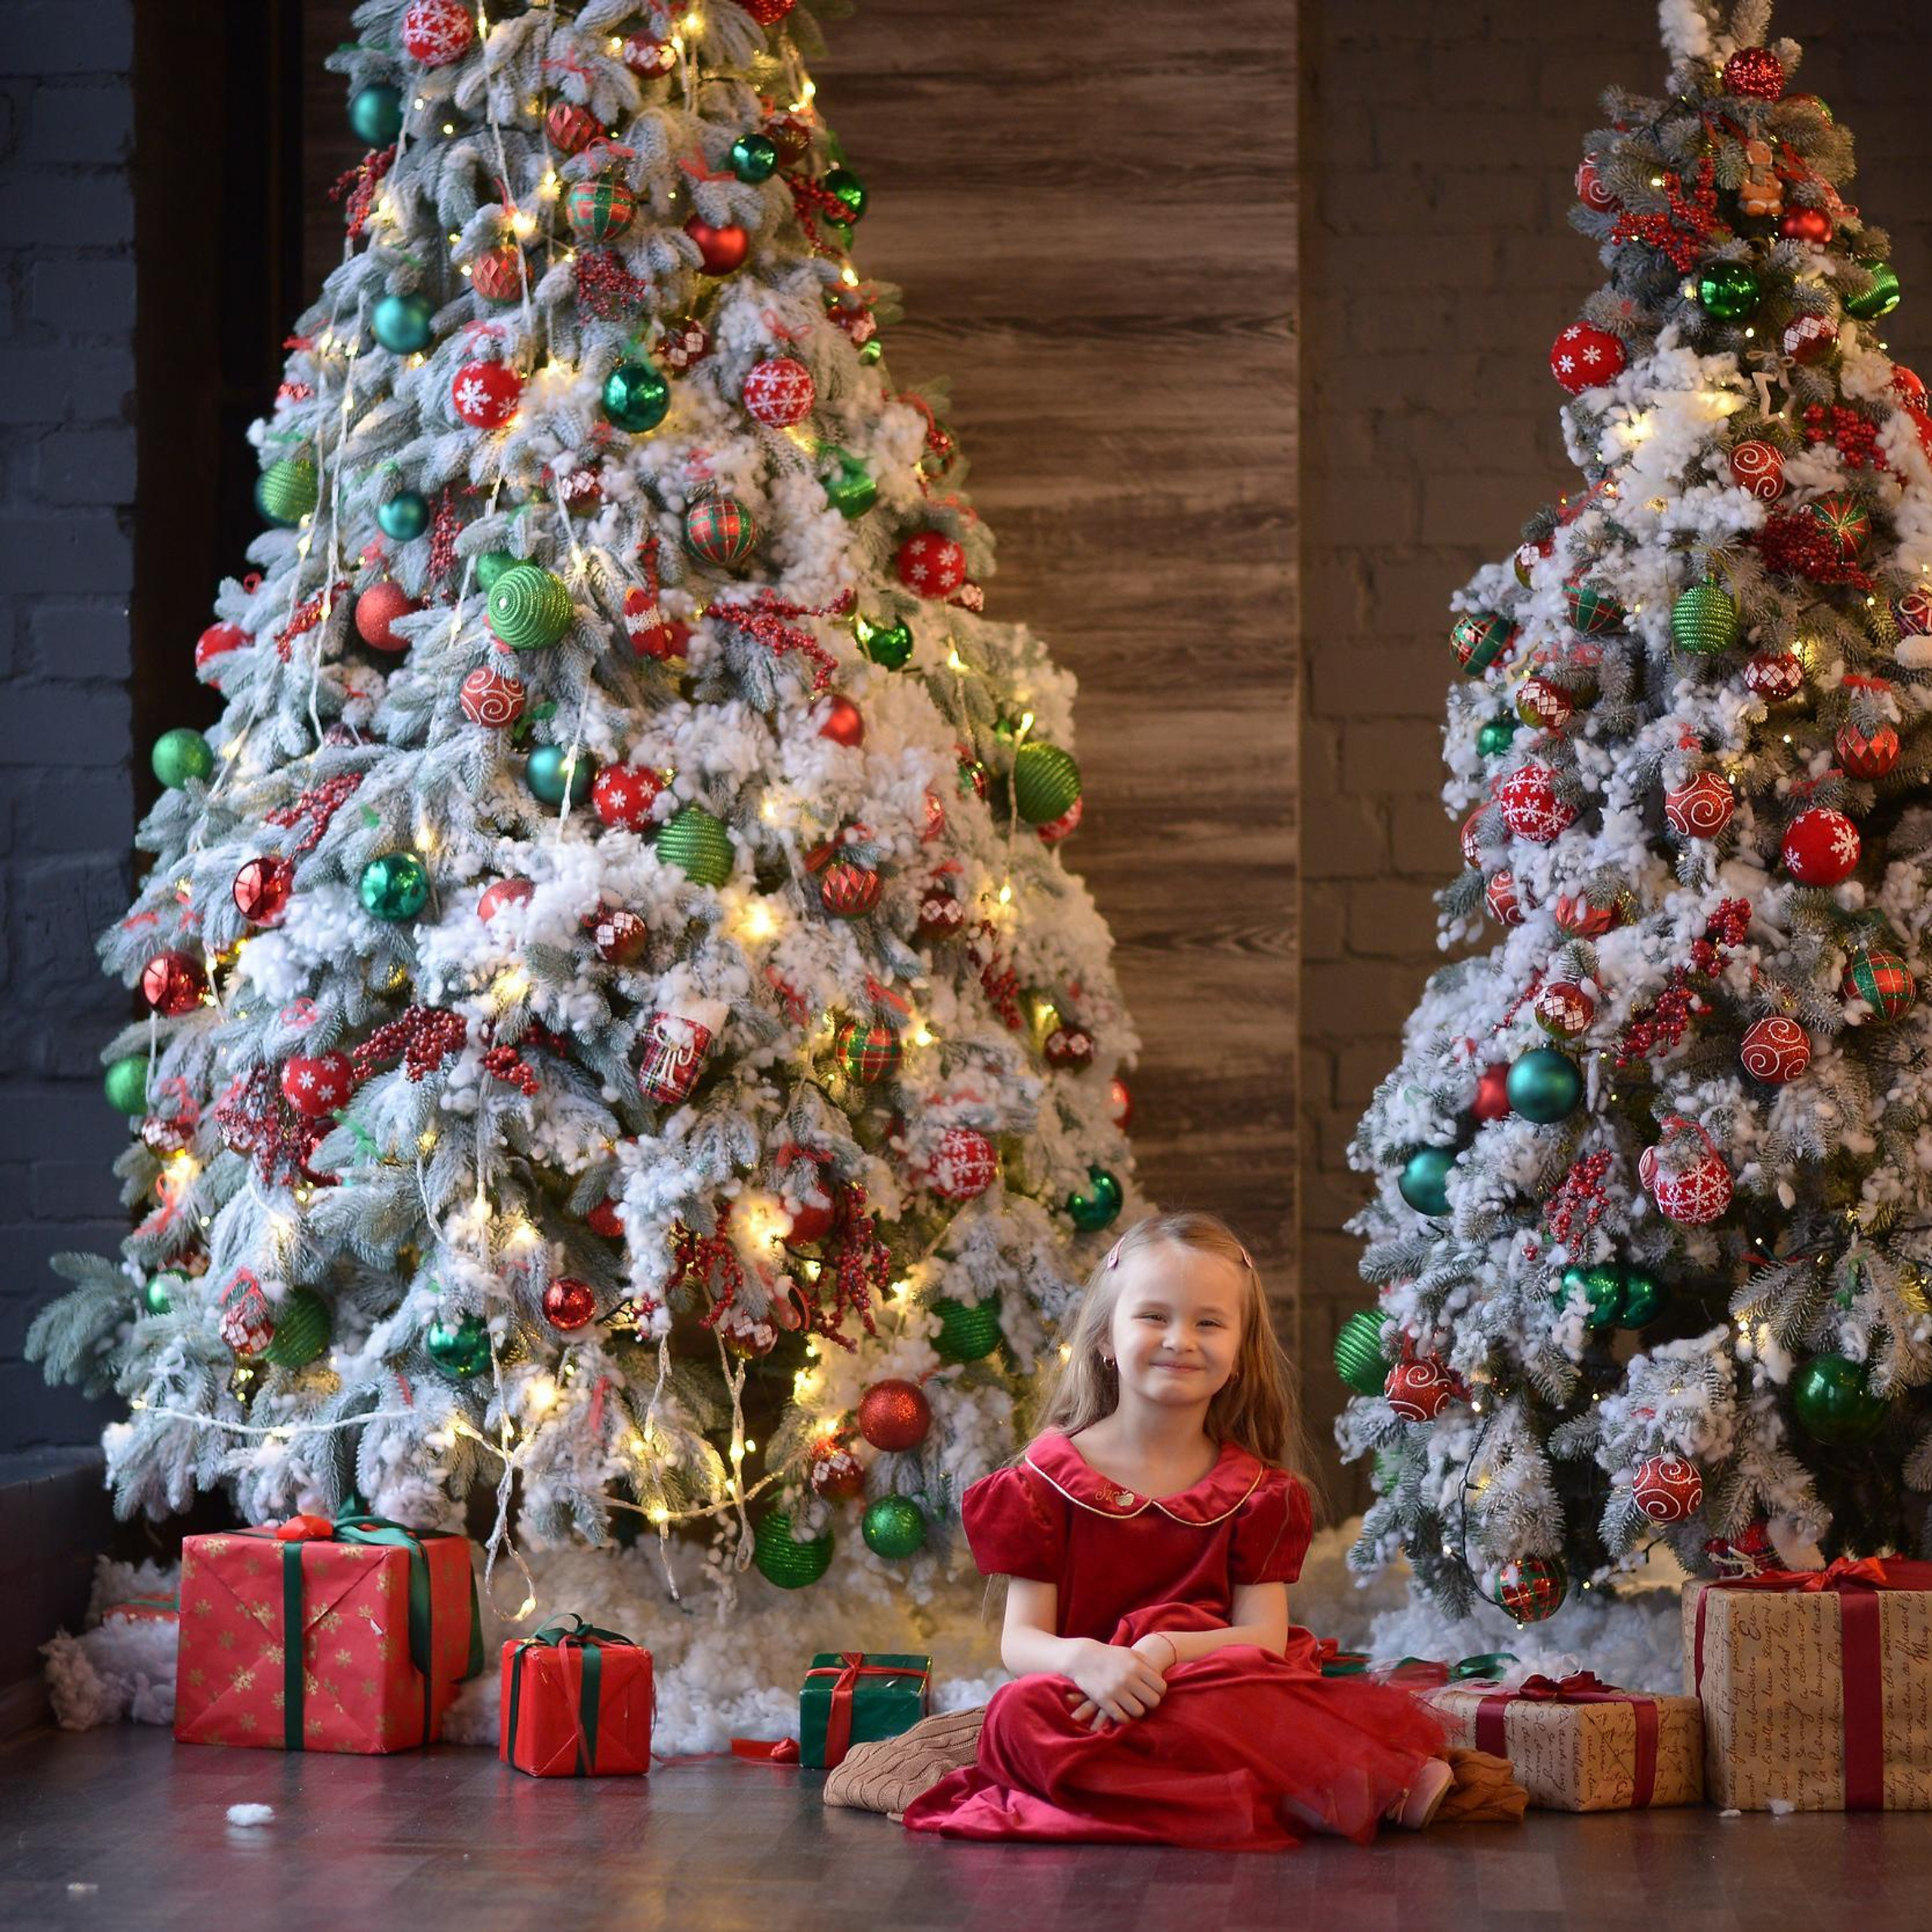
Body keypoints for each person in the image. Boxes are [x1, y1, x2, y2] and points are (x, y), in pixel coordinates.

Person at [901, 1210, 1451, 1850]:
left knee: (1242, 1696)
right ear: (1106, 1339)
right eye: (1154, 1317)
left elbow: (1264, 1638)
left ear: (1239, 1357)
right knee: (1016, 1718)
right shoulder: (1043, 1483)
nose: (1180, 1339)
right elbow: (1021, 1642)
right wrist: (1087, 1660)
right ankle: (1276, 1791)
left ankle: (1304, 1779)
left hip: (1211, 1686)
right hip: (1088, 1699)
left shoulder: (1256, 1494)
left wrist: (1163, 1651)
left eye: (1209, 1323)